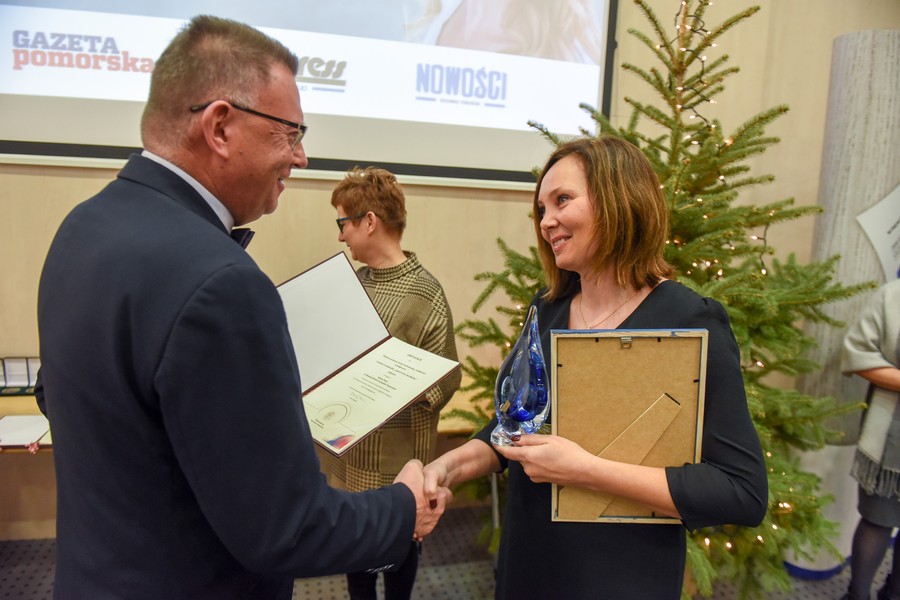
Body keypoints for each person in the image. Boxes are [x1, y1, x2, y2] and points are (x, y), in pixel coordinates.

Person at [34, 15, 449, 599]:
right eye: (290, 133)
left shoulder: (82, 228)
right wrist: (403, 507)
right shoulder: (221, 283)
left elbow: (60, 394)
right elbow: (286, 530)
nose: (300, 157)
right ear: (221, 126)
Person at [422, 136, 769, 599]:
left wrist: (585, 470)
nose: (547, 222)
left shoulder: (691, 321)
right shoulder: (547, 309)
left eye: (562, 200)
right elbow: (516, 428)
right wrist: (449, 466)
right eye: (541, 209)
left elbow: (741, 491)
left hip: (621, 575)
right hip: (530, 565)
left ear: (617, 198)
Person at [329, 166, 462, 599]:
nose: (340, 236)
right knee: (358, 565)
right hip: (351, 456)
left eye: (343, 223)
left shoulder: (424, 293)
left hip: (397, 464)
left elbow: (447, 379)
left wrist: (393, 379)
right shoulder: (354, 283)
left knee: (400, 560)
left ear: (370, 221)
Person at [840, 279, 900, 600]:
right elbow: (857, 353)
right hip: (891, 439)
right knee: (878, 520)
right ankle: (856, 595)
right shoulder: (894, 297)